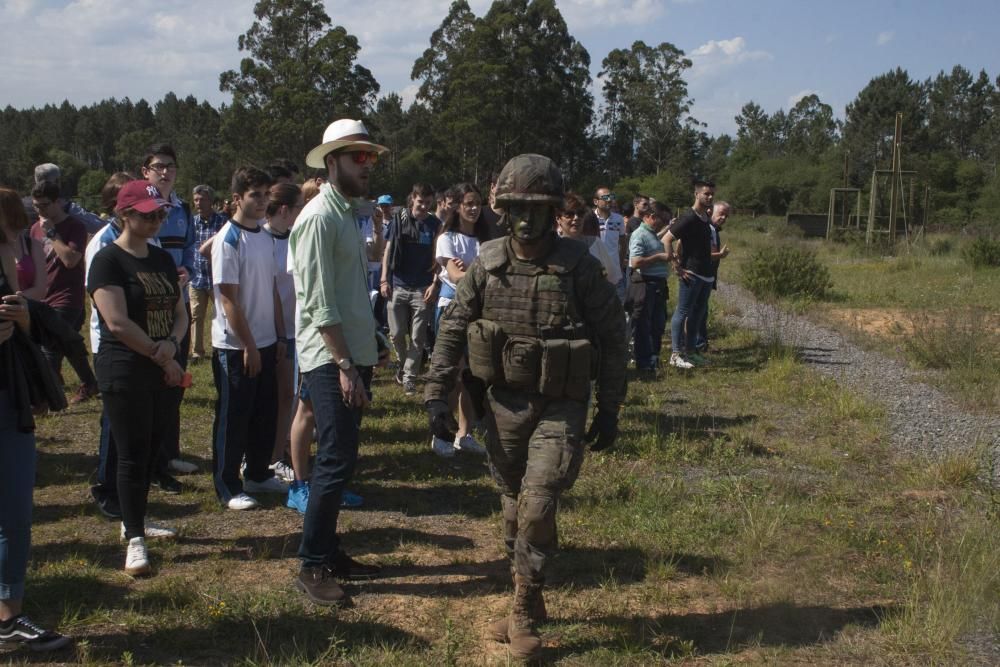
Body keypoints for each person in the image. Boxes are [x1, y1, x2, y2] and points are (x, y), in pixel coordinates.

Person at [425, 154, 627, 660]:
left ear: (555, 211)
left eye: (538, 209)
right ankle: (529, 594)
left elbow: (613, 336)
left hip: (562, 405)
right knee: (514, 506)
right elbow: (452, 328)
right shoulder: (488, 264)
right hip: (504, 405)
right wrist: (435, 392)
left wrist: (610, 408)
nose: (527, 219)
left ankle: (520, 608)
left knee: (539, 502)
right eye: (517, 207)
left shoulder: (579, 267)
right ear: (504, 208)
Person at [290, 118, 389, 605]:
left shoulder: (345, 213)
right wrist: (346, 366)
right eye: (358, 157)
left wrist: (374, 338)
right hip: (331, 358)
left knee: (342, 457)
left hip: (349, 351)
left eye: (370, 156)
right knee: (333, 459)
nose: (367, 165)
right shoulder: (318, 218)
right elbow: (319, 301)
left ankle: (328, 550)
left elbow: (350, 293)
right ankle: (311, 564)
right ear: (332, 163)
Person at [88, 180, 189, 576]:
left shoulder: (162, 259)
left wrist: (173, 344)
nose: (156, 220)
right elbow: (115, 321)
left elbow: (180, 311)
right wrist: (158, 353)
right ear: (124, 214)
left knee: (151, 449)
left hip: (164, 365)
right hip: (126, 368)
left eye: (160, 213)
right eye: (148, 214)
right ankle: (134, 538)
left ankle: (137, 518)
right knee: (130, 452)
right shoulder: (108, 260)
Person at [0, 187, 73, 652]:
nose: (17, 252)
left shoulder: (11, 298)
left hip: (10, 406)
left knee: (13, 516)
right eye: (9, 238)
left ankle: (9, 618)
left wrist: (25, 324)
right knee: (11, 516)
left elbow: (50, 330)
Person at [210, 166, 288, 510]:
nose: (261, 202)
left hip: (268, 341)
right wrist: (249, 346)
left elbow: (271, 288)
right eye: (254, 195)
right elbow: (228, 299)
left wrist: (279, 335)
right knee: (234, 417)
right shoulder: (228, 239)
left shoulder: (265, 236)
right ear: (237, 198)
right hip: (236, 347)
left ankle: (258, 473)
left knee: (264, 413)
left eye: (265, 195)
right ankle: (227, 484)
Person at [141, 144, 198, 480]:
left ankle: (169, 453)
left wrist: (188, 270)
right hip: (147, 310)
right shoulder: (138, 210)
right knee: (149, 382)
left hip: (179, 304)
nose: (165, 172)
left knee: (177, 378)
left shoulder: (182, 209)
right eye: (158, 166)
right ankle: (149, 459)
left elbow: (189, 247)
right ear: (145, 170)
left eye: (171, 166)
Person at [429, 182, 491, 458]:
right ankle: (440, 432)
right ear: (458, 207)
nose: (474, 208)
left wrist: (472, 272)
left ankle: (463, 435)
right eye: (468, 203)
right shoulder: (448, 238)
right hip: (451, 309)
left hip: (478, 311)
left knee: (471, 375)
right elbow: (455, 276)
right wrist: (478, 274)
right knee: (451, 373)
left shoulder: (484, 241)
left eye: (478, 202)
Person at [29, 180, 100, 404]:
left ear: (58, 202)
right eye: (36, 206)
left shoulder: (75, 227)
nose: (40, 211)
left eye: (45, 205)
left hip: (67, 297)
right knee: (69, 344)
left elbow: (70, 260)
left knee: (50, 348)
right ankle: (90, 383)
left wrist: (52, 234)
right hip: (43, 296)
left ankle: (46, 398)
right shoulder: (34, 228)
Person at [380, 184, 441, 395]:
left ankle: (409, 377)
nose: (423, 206)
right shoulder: (399, 220)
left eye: (427, 202)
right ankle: (404, 364)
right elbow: (387, 250)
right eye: (420, 201)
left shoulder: (435, 224)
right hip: (397, 285)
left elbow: (439, 257)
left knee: (418, 337)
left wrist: (435, 284)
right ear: (412, 199)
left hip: (422, 288)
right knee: (396, 334)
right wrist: (383, 280)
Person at [263, 183, 303, 482]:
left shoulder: (295, 237)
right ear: (285, 209)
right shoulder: (260, 237)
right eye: (300, 206)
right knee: (278, 396)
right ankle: (272, 456)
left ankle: (280, 453)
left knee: (289, 396)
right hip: (270, 331)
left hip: (295, 329)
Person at [664, 180, 716, 369]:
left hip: (706, 274)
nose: (709, 197)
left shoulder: (704, 218)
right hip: (691, 273)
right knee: (683, 312)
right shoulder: (688, 217)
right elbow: (667, 239)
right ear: (696, 194)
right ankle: (676, 354)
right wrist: (676, 265)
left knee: (698, 313)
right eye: (706, 194)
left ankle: (691, 352)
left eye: (712, 194)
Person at [628, 202, 673, 373]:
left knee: (658, 323)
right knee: (643, 325)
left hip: (658, 285)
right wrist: (660, 256)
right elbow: (635, 262)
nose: (665, 223)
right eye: (664, 220)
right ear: (651, 217)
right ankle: (644, 362)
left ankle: (653, 357)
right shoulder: (639, 234)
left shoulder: (653, 234)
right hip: (645, 284)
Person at [189, 185, 226, 363]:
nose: (198, 203)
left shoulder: (222, 221)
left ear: (211, 201)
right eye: (196, 199)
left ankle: (220, 347)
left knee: (220, 313)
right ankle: (197, 352)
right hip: (197, 277)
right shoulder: (192, 222)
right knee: (196, 315)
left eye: (202, 199)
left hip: (216, 276)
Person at [555, 193, 620, 285]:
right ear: (558, 218)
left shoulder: (595, 243)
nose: (576, 218)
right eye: (569, 214)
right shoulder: (550, 246)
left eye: (580, 213)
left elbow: (612, 278)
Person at [695, 201, 731, 354]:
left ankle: (701, 343)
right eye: (721, 213)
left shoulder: (714, 230)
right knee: (696, 310)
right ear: (710, 211)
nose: (723, 217)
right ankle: (696, 344)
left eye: (726, 215)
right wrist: (720, 255)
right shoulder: (705, 229)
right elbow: (699, 254)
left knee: (702, 310)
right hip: (699, 275)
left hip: (708, 276)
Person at [32, 162, 104, 235]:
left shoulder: (24, 207)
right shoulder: (65, 207)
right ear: (57, 181)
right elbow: (98, 227)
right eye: (59, 179)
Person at [583, 186, 627, 301]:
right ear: (595, 201)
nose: (609, 200)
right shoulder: (589, 219)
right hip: (595, 271)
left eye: (611, 197)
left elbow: (623, 243)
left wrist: (621, 263)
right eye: (605, 197)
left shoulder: (619, 219)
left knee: (618, 304)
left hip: (615, 271)